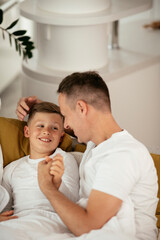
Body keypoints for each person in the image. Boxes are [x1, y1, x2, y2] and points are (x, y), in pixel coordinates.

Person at [16, 71, 158, 240]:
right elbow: (68, 128)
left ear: (82, 108)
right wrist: (40, 110)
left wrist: (48, 188)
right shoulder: (98, 143)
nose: (66, 124)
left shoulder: (122, 155)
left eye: (66, 115)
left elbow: (88, 226)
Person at [0, 101, 79, 239]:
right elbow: (5, 207)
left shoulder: (63, 159)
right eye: (40, 125)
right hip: (20, 221)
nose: (46, 131)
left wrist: (57, 183)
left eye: (54, 128)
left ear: (61, 136)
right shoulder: (12, 169)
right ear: (27, 131)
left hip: (54, 221)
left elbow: (73, 201)